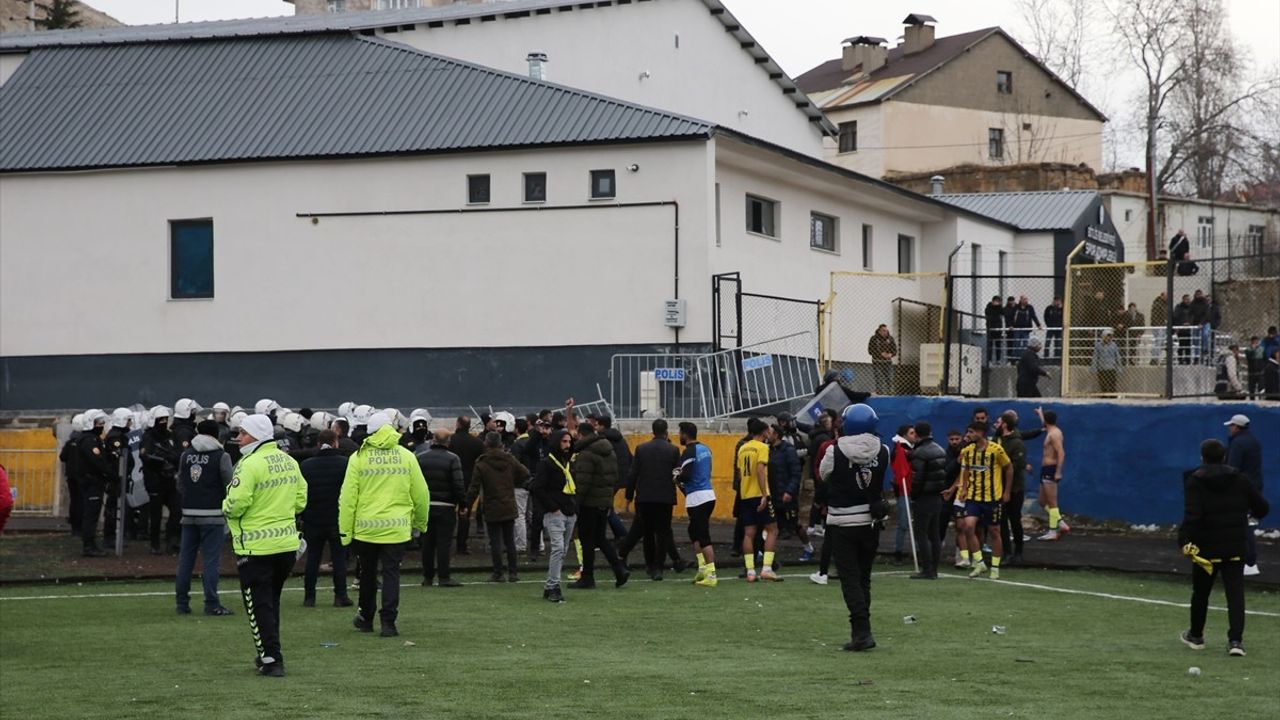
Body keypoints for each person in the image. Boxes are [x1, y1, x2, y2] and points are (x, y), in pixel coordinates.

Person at [223, 414, 308, 677]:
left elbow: (236, 503)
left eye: (244, 433)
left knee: (258, 605)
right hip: (285, 545)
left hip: (256, 548)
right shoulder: (289, 461)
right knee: (270, 603)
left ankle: (271, 658)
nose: (239, 438)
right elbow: (301, 500)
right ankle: (270, 653)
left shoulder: (248, 464)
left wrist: (225, 506)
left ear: (257, 436)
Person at [340, 412, 429, 638]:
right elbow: (421, 493)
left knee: (367, 575)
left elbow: (348, 499)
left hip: (366, 529)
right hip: (397, 529)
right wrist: (420, 523)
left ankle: (366, 617)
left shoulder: (358, 458)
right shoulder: (407, 456)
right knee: (392, 575)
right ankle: (388, 623)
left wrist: (345, 533)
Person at [1178, 439, 1269, 657]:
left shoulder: (1194, 480)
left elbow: (1193, 516)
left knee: (1201, 592)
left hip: (1206, 548)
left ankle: (1196, 635)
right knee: (1235, 595)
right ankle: (1235, 641)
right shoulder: (1240, 480)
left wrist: (1184, 541)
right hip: (1235, 545)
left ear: (1202, 457)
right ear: (1224, 456)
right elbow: (1262, 507)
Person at [818, 404, 889, 651]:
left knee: (849, 580)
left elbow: (823, 475)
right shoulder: (884, 449)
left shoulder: (833, 450)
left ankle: (861, 632)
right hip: (870, 522)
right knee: (864, 578)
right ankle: (863, 629)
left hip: (841, 522)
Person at [174, 420, 235, 616]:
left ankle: (182, 603)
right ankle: (211, 603)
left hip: (189, 513)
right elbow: (230, 482)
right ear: (216, 435)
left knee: (185, 560)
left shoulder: (186, 455)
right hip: (213, 515)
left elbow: (180, 483)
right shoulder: (221, 456)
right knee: (210, 561)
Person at [946, 421, 1012, 579]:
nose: (968, 435)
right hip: (973, 497)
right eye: (968, 432)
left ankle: (995, 567)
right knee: (968, 527)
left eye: (971, 432)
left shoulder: (996, 449)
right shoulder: (968, 450)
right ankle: (980, 562)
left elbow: (1009, 468)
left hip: (992, 498)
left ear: (981, 433)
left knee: (994, 531)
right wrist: (962, 489)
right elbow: (966, 470)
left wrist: (1007, 491)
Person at [569, 423, 630, 589]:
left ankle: (588, 576)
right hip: (604, 501)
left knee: (587, 540)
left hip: (589, 502)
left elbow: (583, 482)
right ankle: (619, 568)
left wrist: (577, 503)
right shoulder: (608, 450)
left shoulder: (586, 454)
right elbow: (615, 476)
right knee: (600, 538)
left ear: (582, 435)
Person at [298, 430, 352, 607]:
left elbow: (301, 493)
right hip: (337, 517)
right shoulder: (345, 464)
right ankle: (340, 595)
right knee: (339, 559)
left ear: (318, 444)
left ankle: (309, 597)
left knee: (313, 558)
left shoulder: (306, 465)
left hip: (313, 517)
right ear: (336, 442)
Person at [467, 432, 529, 583]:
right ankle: (513, 573)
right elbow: (525, 473)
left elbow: (474, 488)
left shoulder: (481, 463)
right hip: (508, 503)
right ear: (500, 443)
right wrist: (512, 482)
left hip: (491, 504)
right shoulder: (509, 459)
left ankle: (498, 572)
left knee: (495, 542)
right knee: (510, 541)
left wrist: (466, 505)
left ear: (486, 444)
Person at [625, 419, 681, 581]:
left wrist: (629, 495)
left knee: (647, 532)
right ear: (666, 432)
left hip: (645, 497)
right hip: (665, 497)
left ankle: (649, 564)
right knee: (663, 533)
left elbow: (633, 474)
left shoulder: (641, 449)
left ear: (653, 431)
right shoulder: (673, 450)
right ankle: (658, 567)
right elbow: (677, 474)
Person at [529, 429, 578, 602]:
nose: (567, 445)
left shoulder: (567, 462)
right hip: (556, 512)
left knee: (562, 551)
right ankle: (553, 586)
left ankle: (550, 586)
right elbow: (537, 487)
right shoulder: (547, 463)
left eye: (569, 442)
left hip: (569, 511)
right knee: (558, 549)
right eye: (564, 442)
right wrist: (552, 507)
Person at [415, 428, 465, 588]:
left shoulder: (420, 458)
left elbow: (414, 483)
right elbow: (458, 484)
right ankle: (444, 576)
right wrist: (463, 504)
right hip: (446, 506)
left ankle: (427, 577)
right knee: (444, 543)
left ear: (432, 440)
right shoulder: (453, 459)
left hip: (426, 506)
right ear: (448, 442)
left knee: (427, 543)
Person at [736, 418, 781, 582]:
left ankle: (750, 572)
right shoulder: (762, 447)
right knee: (773, 529)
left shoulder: (742, 448)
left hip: (745, 495)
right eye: (768, 430)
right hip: (759, 494)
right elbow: (760, 470)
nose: (770, 433)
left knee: (749, 533)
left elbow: (741, 474)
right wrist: (764, 494)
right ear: (763, 432)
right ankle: (767, 569)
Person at [676, 422, 718, 588]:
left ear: (685, 434)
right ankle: (702, 568)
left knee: (702, 535)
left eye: (680, 433)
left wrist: (676, 477)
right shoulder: (706, 449)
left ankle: (711, 574)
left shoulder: (689, 451)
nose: (679, 436)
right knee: (693, 531)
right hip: (707, 494)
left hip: (697, 497)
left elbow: (685, 475)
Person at [907, 421, 947, 579]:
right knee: (934, 534)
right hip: (937, 496)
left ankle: (927, 569)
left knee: (921, 534)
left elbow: (917, 478)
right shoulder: (940, 449)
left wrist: (914, 495)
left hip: (924, 497)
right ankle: (934, 569)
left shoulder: (920, 452)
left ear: (916, 434)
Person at [1224, 415, 1262, 576]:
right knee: (1250, 524)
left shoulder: (1238, 443)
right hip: (1255, 489)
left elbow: (1233, 468)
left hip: (1241, 491)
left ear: (1236, 427)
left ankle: (1248, 561)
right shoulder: (1253, 441)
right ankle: (1249, 561)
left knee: (1243, 526)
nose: (1229, 428)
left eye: (1231, 426)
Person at [141, 406, 182, 555]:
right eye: (161, 420)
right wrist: (162, 461)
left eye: (165, 419)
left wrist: (172, 460)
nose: (164, 422)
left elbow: (177, 453)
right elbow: (145, 456)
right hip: (155, 480)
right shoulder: (148, 437)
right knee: (156, 514)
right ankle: (155, 543)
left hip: (170, 480)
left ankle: (172, 540)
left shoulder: (170, 435)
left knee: (177, 510)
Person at [76, 410, 116, 558]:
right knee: (91, 515)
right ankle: (88, 545)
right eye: (99, 423)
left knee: (92, 513)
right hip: (91, 482)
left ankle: (90, 544)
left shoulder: (92, 439)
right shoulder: (89, 440)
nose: (101, 425)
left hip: (94, 482)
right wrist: (111, 474)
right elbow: (97, 461)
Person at [768, 422, 808, 565]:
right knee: (771, 524)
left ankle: (807, 547)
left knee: (794, 524)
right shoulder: (769, 450)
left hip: (786, 495)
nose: (767, 434)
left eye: (769, 432)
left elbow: (795, 473)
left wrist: (789, 491)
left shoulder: (788, 450)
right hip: (773, 494)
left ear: (776, 435)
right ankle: (767, 554)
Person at [994, 412, 1029, 565]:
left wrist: (1002, 467)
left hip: (1015, 488)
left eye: (999, 422)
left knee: (1015, 520)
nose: (996, 424)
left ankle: (1018, 552)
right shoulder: (996, 440)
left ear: (1005, 425)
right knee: (1001, 522)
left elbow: (1018, 465)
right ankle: (1006, 552)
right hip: (998, 486)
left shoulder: (1016, 443)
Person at [449, 417, 484, 556]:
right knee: (465, 513)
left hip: (451, 480)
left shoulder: (450, 440)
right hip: (469, 481)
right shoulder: (476, 442)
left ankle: (445, 542)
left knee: (448, 512)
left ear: (457, 424)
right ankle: (461, 546)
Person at [1036, 407, 1070, 541]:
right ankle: (1061, 523)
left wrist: (1058, 472)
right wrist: (1040, 414)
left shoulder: (1054, 434)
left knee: (1052, 503)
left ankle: (1053, 530)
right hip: (1045, 470)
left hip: (1051, 469)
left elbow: (1061, 453)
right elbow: (1044, 424)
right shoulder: (1050, 431)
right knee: (1041, 501)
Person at [888, 424, 915, 565]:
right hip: (903, 491)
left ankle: (914, 552)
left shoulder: (909, 449)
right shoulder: (900, 450)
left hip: (913, 490)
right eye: (911, 433)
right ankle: (898, 552)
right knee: (903, 523)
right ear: (904, 435)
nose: (914, 435)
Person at [867, 324, 897, 394]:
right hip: (877, 362)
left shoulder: (890, 339)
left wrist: (891, 354)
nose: (885, 332)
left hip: (888, 362)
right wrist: (880, 354)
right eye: (883, 331)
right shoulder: (874, 339)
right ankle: (880, 393)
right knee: (879, 379)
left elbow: (895, 350)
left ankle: (890, 393)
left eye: (886, 331)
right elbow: (870, 350)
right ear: (879, 331)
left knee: (889, 378)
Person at [985, 295, 1007, 363]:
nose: (997, 303)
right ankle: (989, 360)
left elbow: (1003, 313)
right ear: (993, 301)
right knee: (990, 345)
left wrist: (999, 307)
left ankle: (998, 359)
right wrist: (994, 307)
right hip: (990, 327)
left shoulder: (999, 308)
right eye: (996, 301)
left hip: (998, 328)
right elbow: (988, 313)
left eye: (999, 302)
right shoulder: (988, 307)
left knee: (998, 345)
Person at [1149, 292, 1168, 365]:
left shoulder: (1166, 304)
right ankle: (1154, 358)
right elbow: (1155, 316)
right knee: (1159, 342)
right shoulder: (1157, 304)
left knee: (1161, 342)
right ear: (1162, 296)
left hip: (1164, 326)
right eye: (1165, 296)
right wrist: (1158, 325)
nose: (1167, 297)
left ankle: (1155, 357)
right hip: (1159, 326)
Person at [1043, 297, 1063, 361]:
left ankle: (1056, 358)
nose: (1057, 302)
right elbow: (1046, 317)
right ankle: (1046, 357)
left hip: (1058, 329)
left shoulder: (1062, 309)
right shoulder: (1049, 308)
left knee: (1058, 343)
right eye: (1056, 301)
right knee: (1047, 342)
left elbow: (1063, 318)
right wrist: (1049, 325)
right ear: (1054, 301)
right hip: (1050, 328)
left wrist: (1060, 325)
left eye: (1059, 301)